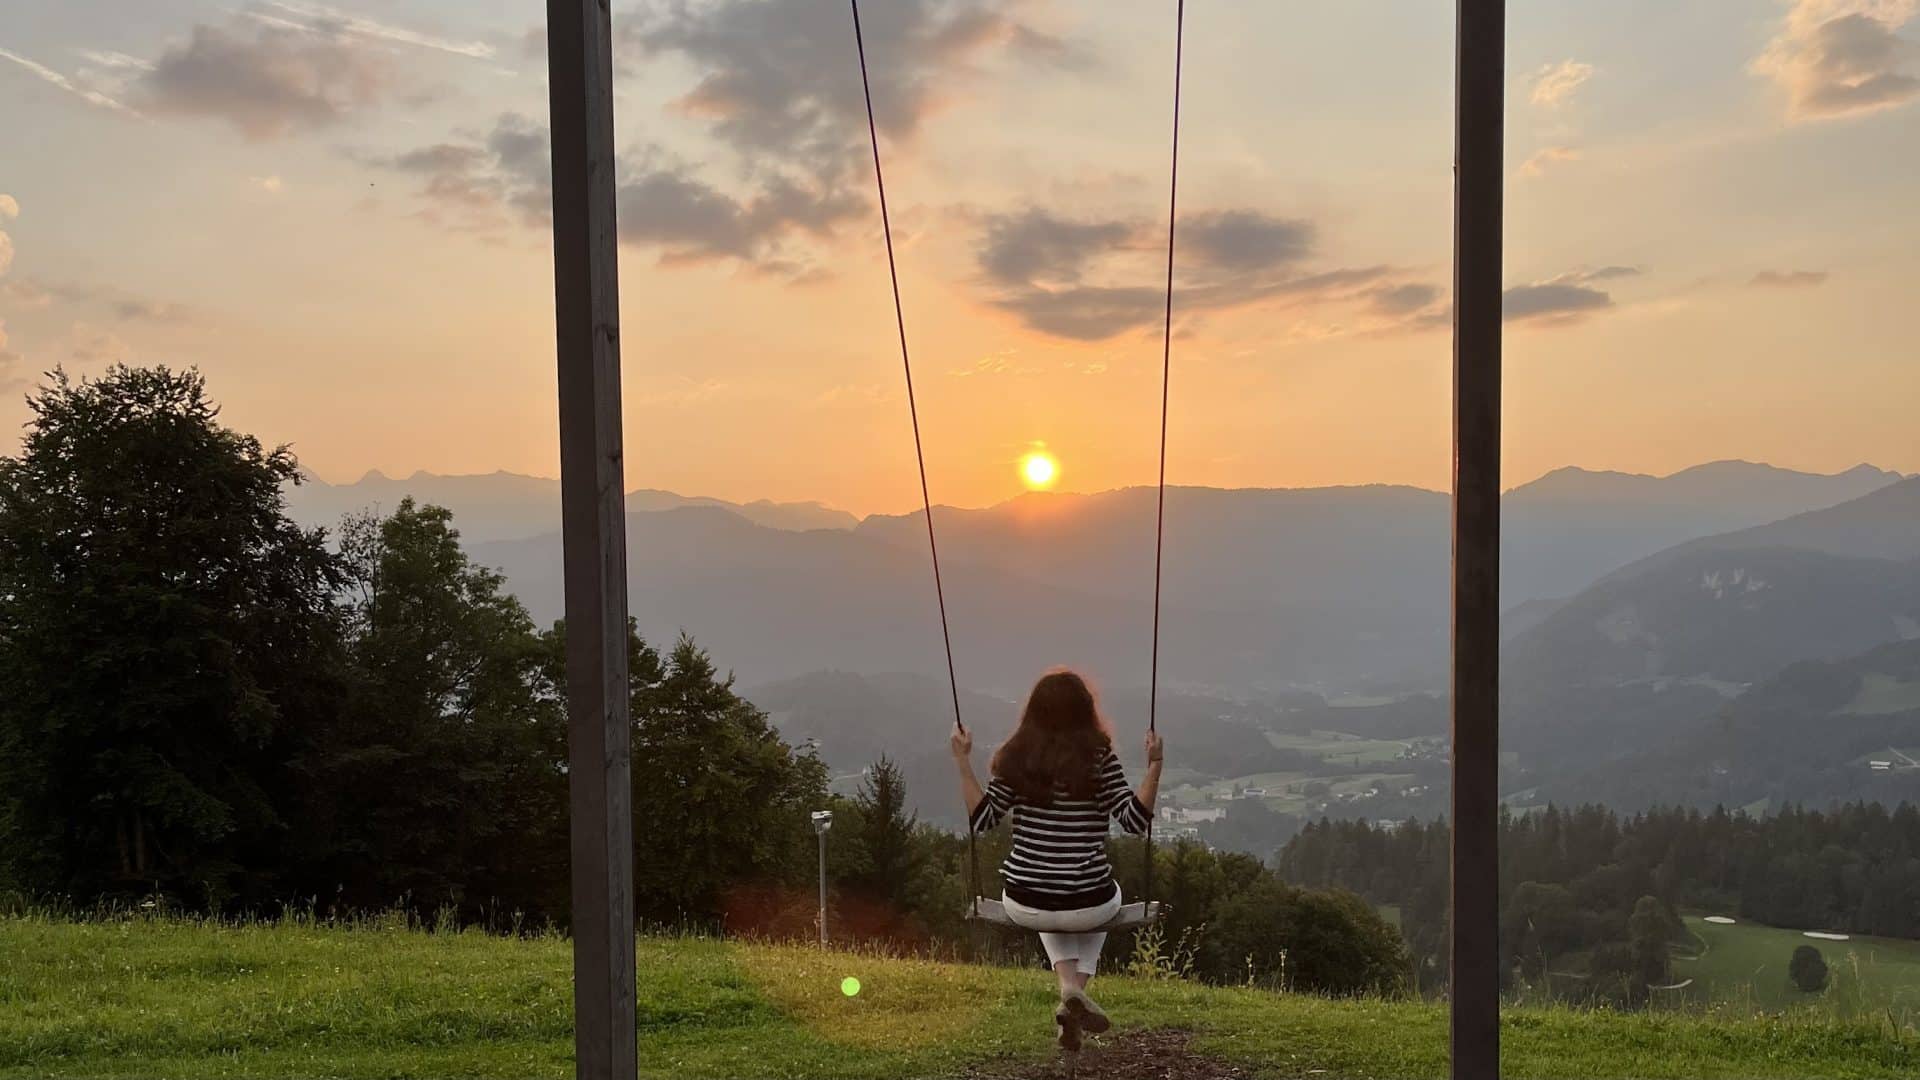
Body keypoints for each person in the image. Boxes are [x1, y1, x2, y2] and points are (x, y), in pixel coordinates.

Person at [950, 669, 1163, 1052]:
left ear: (1033, 712)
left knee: (1046, 892)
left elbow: (982, 820)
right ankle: (1072, 992)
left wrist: (962, 761)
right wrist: (1154, 766)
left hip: (1025, 901)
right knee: (1097, 899)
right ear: (1086, 712)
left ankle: (1068, 991)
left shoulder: (1017, 759)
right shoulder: (1099, 760)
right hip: (1088, 904)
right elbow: (1134, 821)